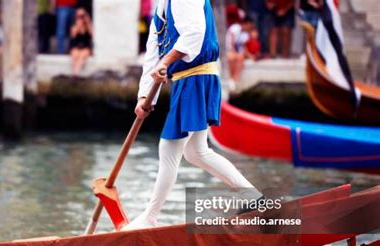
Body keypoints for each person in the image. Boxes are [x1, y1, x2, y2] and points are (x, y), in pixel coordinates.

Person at [124, 0, 263, 230]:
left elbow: (194, 34)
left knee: (169, 149)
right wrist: (143, 98)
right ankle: (254, 198)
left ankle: (150, 216)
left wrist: (166, 62)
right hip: (186, 80)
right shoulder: (160, 9)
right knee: (196, 152)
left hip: (196, 77)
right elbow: (153, 54)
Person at [226, 17, 253, 89]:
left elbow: (244, 47)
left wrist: (250, 56)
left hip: (237, 53)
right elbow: (230, 41)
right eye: (250, 26)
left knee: (240, 58)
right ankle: (231, 79)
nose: (250, 28)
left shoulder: (246, 35)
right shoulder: (234, 28)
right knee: (231, 57)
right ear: (246, 24)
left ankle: (234, 80)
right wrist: (233, 52)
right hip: (229, 50)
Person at [69, 8, 92, 76]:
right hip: (76, 46)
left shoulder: (88, 24)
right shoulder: (74, 24)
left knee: (81, 56)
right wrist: (78, 25)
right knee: (75, 55)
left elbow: (92, 34)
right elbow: (73, 35)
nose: (81, 18)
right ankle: (75, 74)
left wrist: (88, 23)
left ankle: (75, 75)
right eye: (79, 16)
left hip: (85, 46)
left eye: (82, 16)